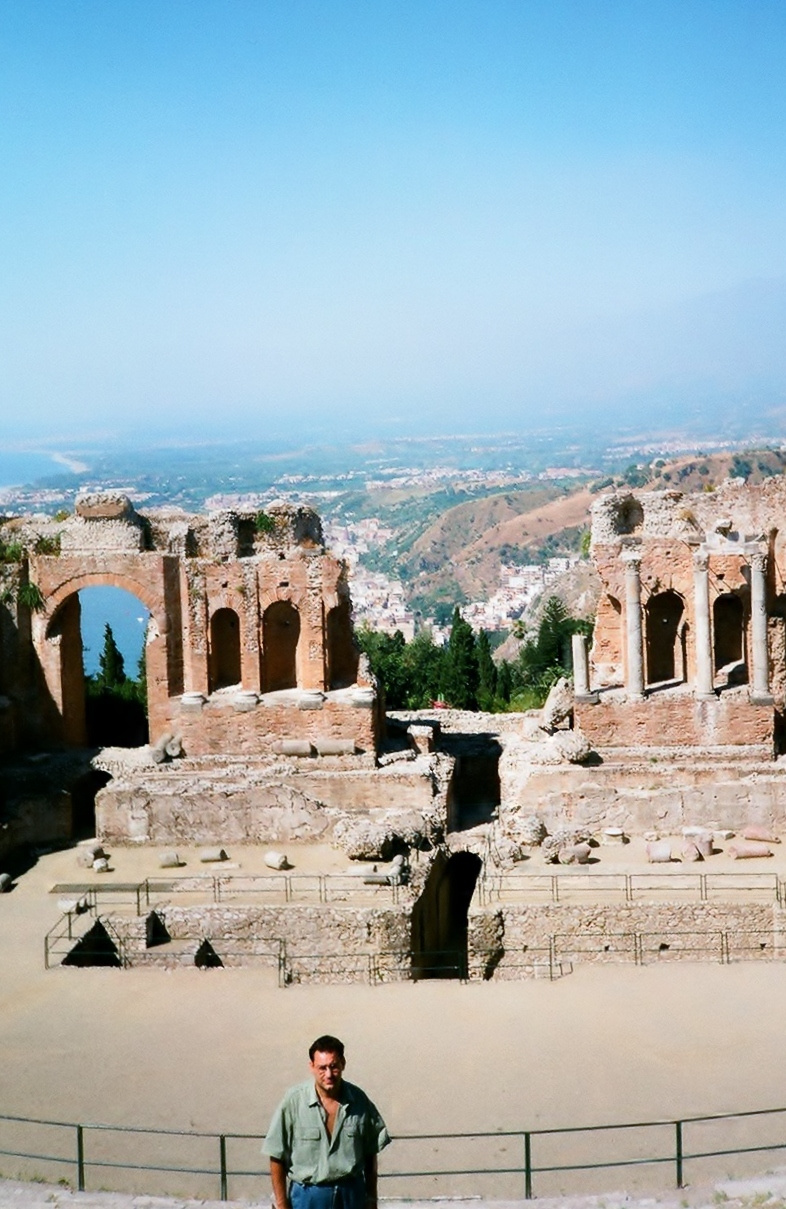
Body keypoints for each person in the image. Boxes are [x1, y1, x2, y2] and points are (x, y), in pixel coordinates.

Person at [264, 1034, 390, 1209]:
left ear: (343, 1063)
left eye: (334, 1067)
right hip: (307, 1197)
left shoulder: (359, 1101)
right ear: (312, 1067)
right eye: (322, 1068)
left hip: (351, 1196)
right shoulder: (293, 1101)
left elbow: (370, 1154)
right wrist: (281, 1204)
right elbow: (276, 1155)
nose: (329, 1074)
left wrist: (371, 1199)